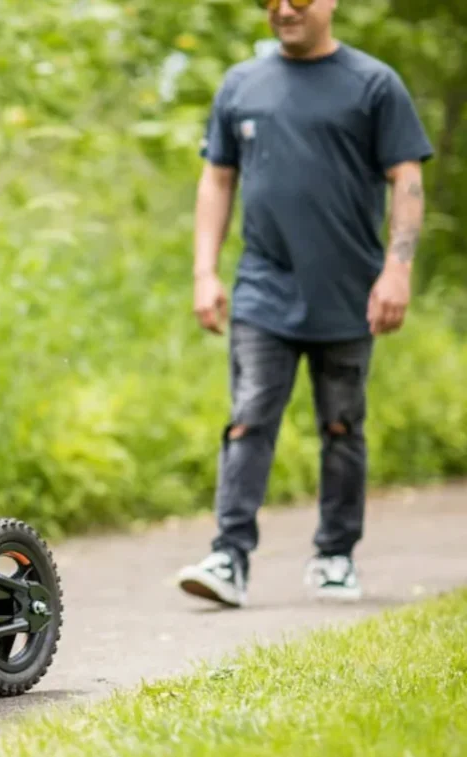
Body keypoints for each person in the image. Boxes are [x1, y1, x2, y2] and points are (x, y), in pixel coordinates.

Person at [176, 0, 433, 608]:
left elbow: (408, 179)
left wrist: (397, 268)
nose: (284, 8)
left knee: (342, 426)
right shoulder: (241, 84)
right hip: (264, 287)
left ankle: (336, 557)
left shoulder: (374, 84)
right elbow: (216, 179)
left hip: (348, 290)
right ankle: (229, 557)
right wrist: (204, 272)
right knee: (249, 416)